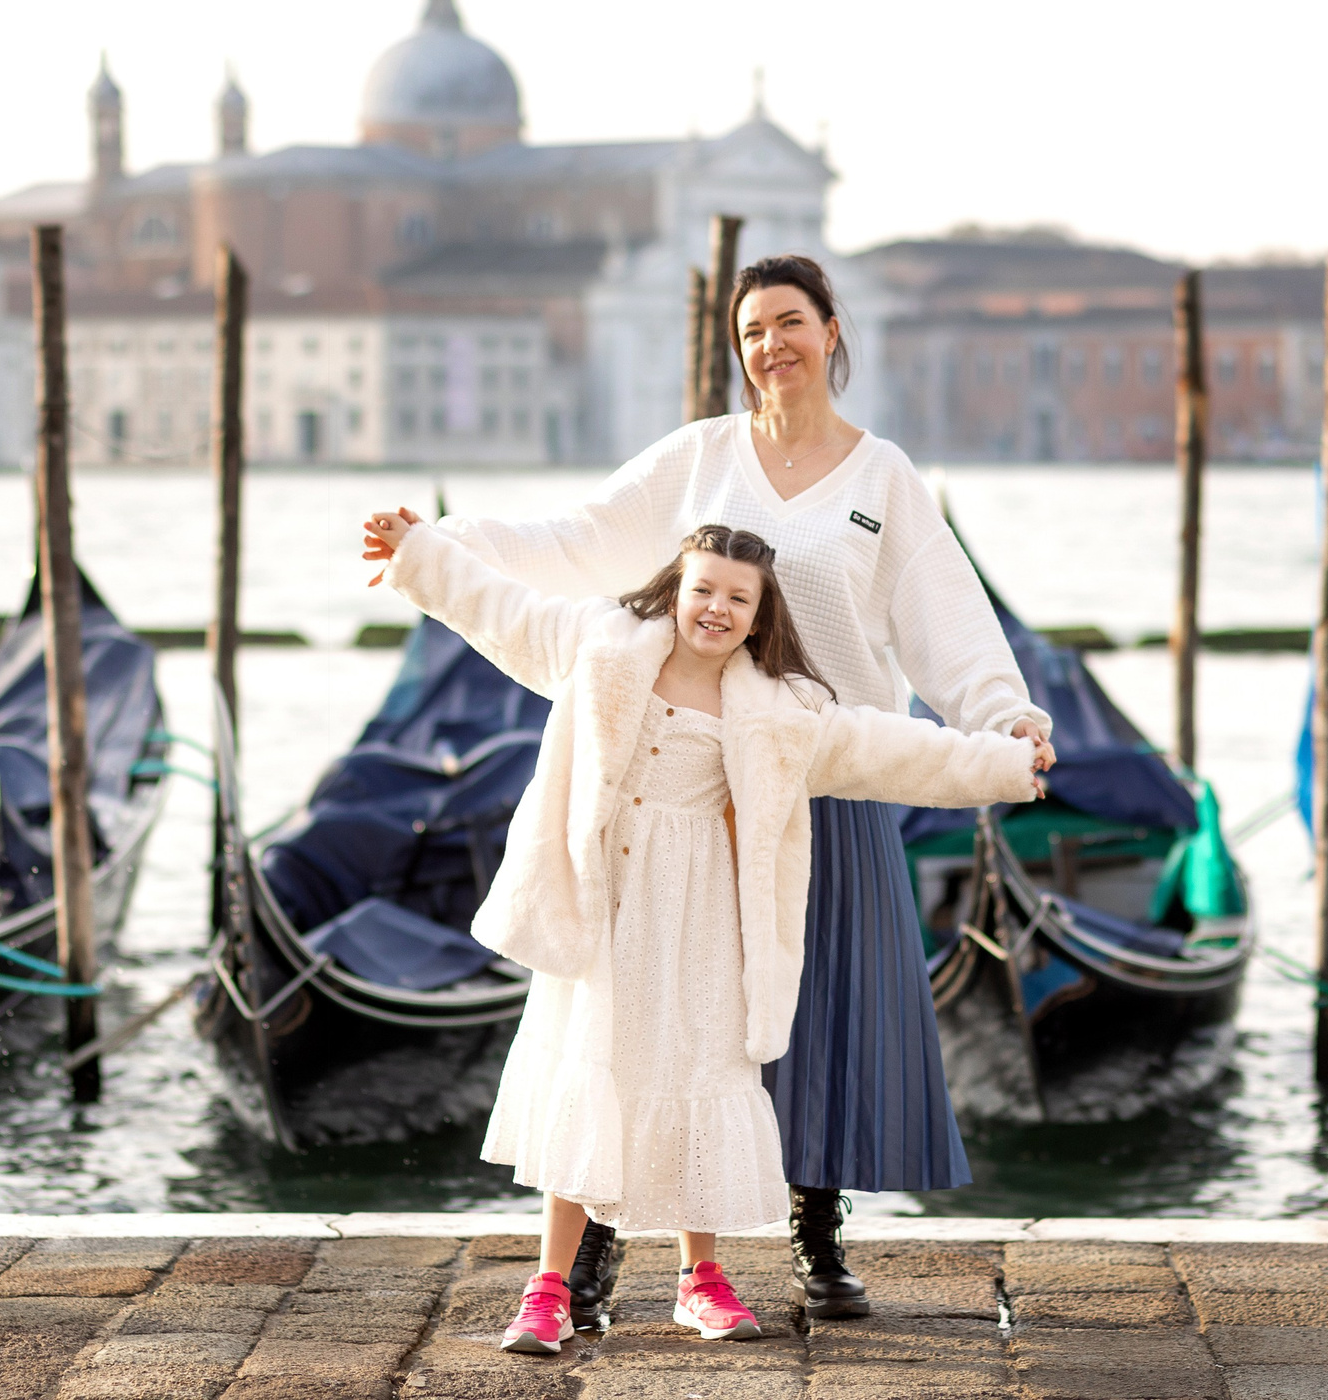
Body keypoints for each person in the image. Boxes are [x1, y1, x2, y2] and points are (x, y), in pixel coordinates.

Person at [362, 253, 1054, 1325]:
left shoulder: (883, 480)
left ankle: (813, 1238)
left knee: (814, 1018)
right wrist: (438, 544)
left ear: (831, 330)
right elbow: (575, 543)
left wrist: (1002, 721)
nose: (770, 345)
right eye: (750, 333)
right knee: (651, 1012)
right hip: (684, 794)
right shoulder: (698, 458)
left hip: (827, 773)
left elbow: (946, 618)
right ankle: (588, 1252)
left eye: (789, 322)